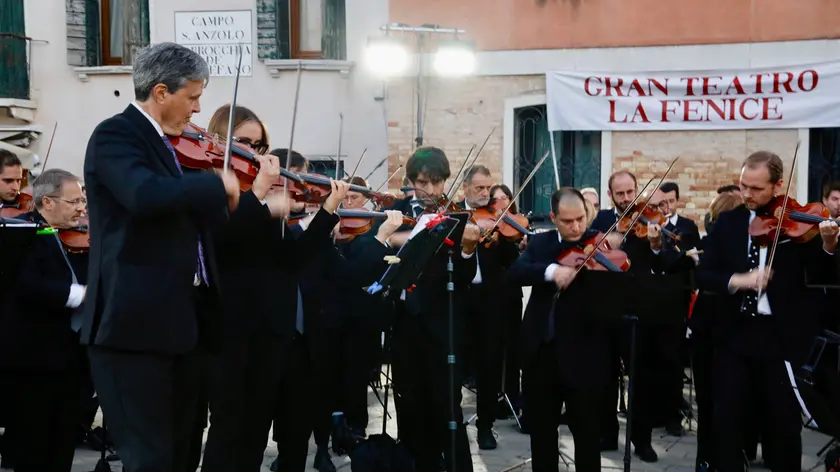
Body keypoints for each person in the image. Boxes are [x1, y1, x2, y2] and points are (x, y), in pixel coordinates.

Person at [81, 42, 262, 472]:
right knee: (150, 458)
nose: (198, 109)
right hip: (134, 328)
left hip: (185, 326)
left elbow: (195, 229)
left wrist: (253, 205)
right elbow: (142, 194)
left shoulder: (173, 145)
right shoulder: (116, 135)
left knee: (182, 454)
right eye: (193, 96)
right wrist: (216, 184)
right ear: (161, 92)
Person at [698, 150, 839, 472]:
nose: (747, 194)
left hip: (781, 337)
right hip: (735, 334)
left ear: (777, 186)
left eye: (756, 188)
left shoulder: (799, 224)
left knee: (783, 422)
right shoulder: (729, 222)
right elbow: (704, 274)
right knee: (727, 417)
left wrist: (829, 245)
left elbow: (824, 276)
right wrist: (738, 280)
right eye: (743, 185)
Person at [383, 146, 480, 472]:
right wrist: (393, 237)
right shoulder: (394, 213)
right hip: (404, 325)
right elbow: (378, 257)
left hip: (442, 327)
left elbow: (465, 278)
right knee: (409, 405)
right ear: (411, 182)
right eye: (423, 182)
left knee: (447, 407)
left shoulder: (454, 216)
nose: (431, 190)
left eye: (437, 182)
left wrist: (468, 250)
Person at [509, 187, 612, 472]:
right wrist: (553, 271)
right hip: (543, 354)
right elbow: (516, 273)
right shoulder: (540, 244)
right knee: (542, 434)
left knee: (587, 436)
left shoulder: (599, 244)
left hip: (585, 355)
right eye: (567, 221)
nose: (576, 227)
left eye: (580, 219)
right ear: (554, 218)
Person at [0, 169, 88, 472]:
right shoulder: (21, 233)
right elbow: (21, 283)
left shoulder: (80, 237)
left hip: (71, 358)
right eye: (74, 202)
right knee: (34, 446)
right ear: (47, 202)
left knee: (63, 445)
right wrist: (78, 294)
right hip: (33, 358)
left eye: (83, 201)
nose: (82, 209)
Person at [458, 165, 520, 450]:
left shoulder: (497, 218)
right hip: (459, 298)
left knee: (489, 365)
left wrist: (502, 240)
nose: (486, 193)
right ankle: (454, 425)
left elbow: (511, 261)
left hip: (490, 301)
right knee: (456, 364)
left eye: (488, 188)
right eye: (479, 188)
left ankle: (485, 426)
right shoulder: (455, 215)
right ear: (466, 188)